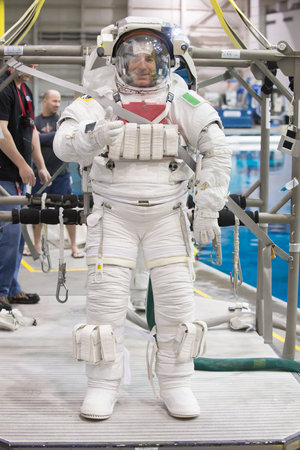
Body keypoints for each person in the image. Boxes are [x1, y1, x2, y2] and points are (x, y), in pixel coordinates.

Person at [53, 17, 232, 420]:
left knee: (176, 304)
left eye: (150, 59)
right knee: (104, 305)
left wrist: (207, 209)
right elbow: (63, 145)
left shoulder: (181, 100)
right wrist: (95, 134)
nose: (142, 65)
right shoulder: (98, 99)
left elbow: (216, 148)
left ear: (165, 61)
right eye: (132, 58)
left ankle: (176, 383)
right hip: (113, 215)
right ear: (118, 62)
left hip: (168, 215)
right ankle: (102, 386)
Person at [0, 64, 51, 308]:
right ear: (11, 62)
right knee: (8, 235)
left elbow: (31, 132)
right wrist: (21, 164)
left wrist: (40, 165)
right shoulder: (4, 88)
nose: (32, 68)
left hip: (20, 176)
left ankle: (11, 288)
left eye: (34, 64)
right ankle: (1, 291)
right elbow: (1, 133)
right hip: (4, 173)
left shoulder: (26, 90)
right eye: (27, 64)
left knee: (19, 237)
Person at [24, 89, 83, 258]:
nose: (57, 104)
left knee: (68, 210)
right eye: (54, 101)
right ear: (45, 101)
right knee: (36, 211)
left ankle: (73, 246)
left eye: (59, 101)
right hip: (39, 176)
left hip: (61, 176)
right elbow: (31, 142)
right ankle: (37, 245)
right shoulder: (34, 121)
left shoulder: (63, 122)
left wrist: (42, 138)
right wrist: (50, 138)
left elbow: (57, 138)